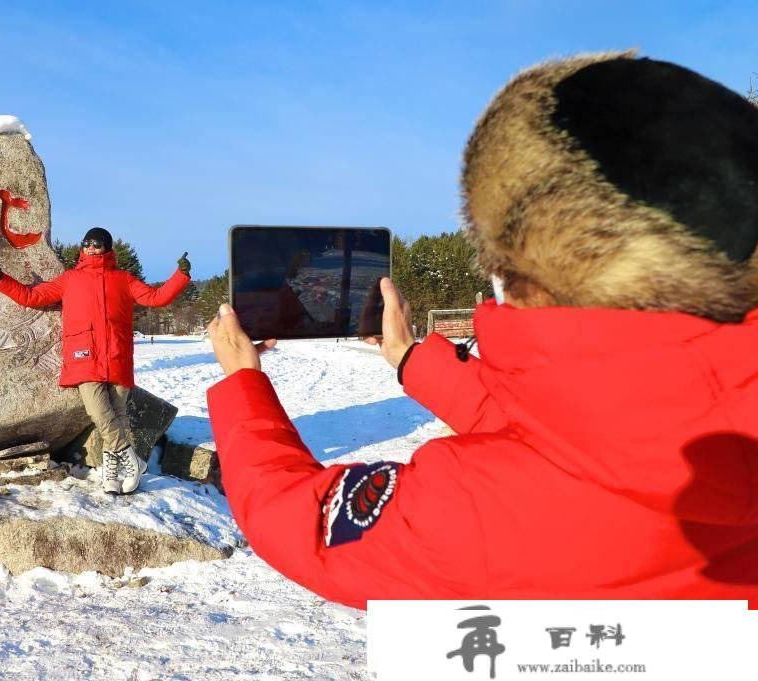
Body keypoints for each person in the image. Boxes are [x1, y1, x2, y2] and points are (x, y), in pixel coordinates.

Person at [205, 52, 758, 608]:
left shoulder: (475, 513)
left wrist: (244, 385)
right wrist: (412, 360)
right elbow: (594, 424)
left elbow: (300, 519)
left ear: (510, 267)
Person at [0, 227, 191, 494]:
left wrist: (181, 276)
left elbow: (155, 298)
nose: (91, 248)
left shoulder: (124, 279)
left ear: (107, 247)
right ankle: (130, 459)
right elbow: (33, 296)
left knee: (117, 416)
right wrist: (1, 279)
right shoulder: (70, 279)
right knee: (99, 412)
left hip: (117, 355)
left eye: (97, 244)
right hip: (84, 356)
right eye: (87, 243)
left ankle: (112, 476)